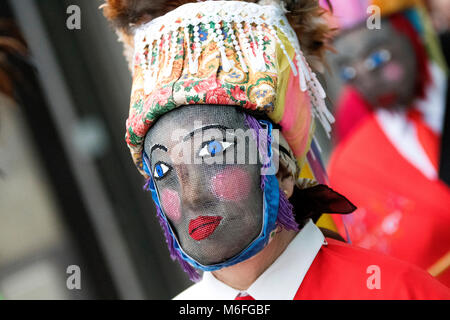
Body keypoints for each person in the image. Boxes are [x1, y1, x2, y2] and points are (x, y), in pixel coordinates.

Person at [103, 0, 450, 299]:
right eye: (162, 170)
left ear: (281, 168)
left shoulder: (396, 292)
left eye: (212, 151)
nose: (192, 196)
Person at [324, 0, 450, 286]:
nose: (367, 79)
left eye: (377, 58)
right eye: (348, 71)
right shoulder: (350, 166)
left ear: (411, 32)